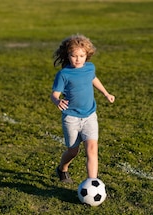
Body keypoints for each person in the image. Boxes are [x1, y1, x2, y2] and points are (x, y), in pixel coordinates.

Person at [50, 34, 115, 183]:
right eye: (74, 56)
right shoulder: (64, 74)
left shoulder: (90, 68)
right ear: (68, 55)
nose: (78, 59)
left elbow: (93, 78)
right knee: (73, 151)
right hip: (71, 118)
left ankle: (93, 182)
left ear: (87, 55)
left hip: (90, 116)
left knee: (92, 149)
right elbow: (54, 94)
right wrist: (57, 101)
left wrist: (106, 93)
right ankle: (62, 169)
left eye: (81, 55)